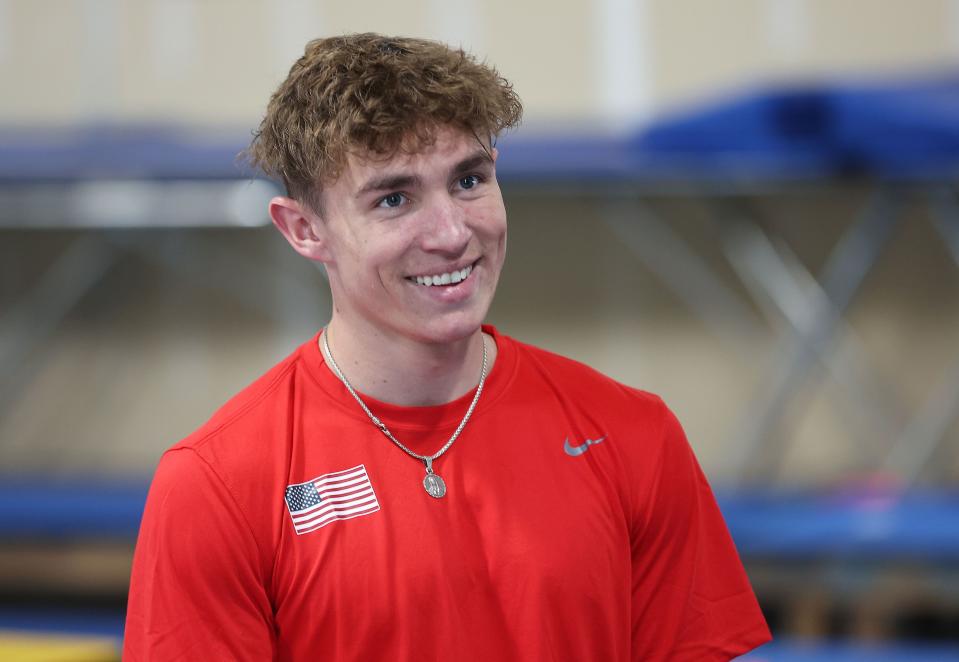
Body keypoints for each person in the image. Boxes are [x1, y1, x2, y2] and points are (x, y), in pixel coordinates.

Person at [124, 33, 771, 661]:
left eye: (468, 181)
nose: (451, 232)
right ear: (303, 229)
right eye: (394, 198)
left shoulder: (630, 434)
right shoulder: (216, 486)